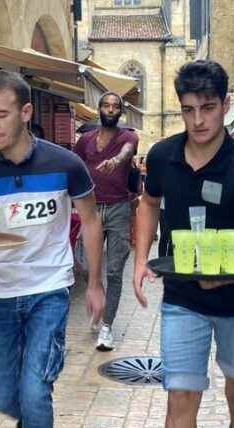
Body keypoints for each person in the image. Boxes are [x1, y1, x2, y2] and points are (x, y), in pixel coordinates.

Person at [0, 70, 105, 428]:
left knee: (36, 390)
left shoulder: (66, 164)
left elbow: (91, 220)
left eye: (0, 115)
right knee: (5, 395)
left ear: (25, 112)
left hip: (48, 290)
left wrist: (95, 283)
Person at [133, 60, 234, 428]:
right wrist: (140, 259)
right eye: (188, 110)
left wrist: (222, 279)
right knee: (180, 392)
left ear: (226, 105)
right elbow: (149, 203)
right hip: (182, 295)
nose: (197, 121)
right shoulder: (163, 156)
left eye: (208, 108)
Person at [73, 91, 138, 351]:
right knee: (87, 265)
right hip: (90, 208)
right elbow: (74, 165)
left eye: (115, 106)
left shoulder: (128, 135)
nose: (110, 110)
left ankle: (107, 326)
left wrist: (116, 161)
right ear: (99, 109)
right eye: (106, 105)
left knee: (114, 270)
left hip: (118, 208)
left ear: (120, 112)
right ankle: (96, 292)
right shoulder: (86, 140)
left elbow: (127, 152)